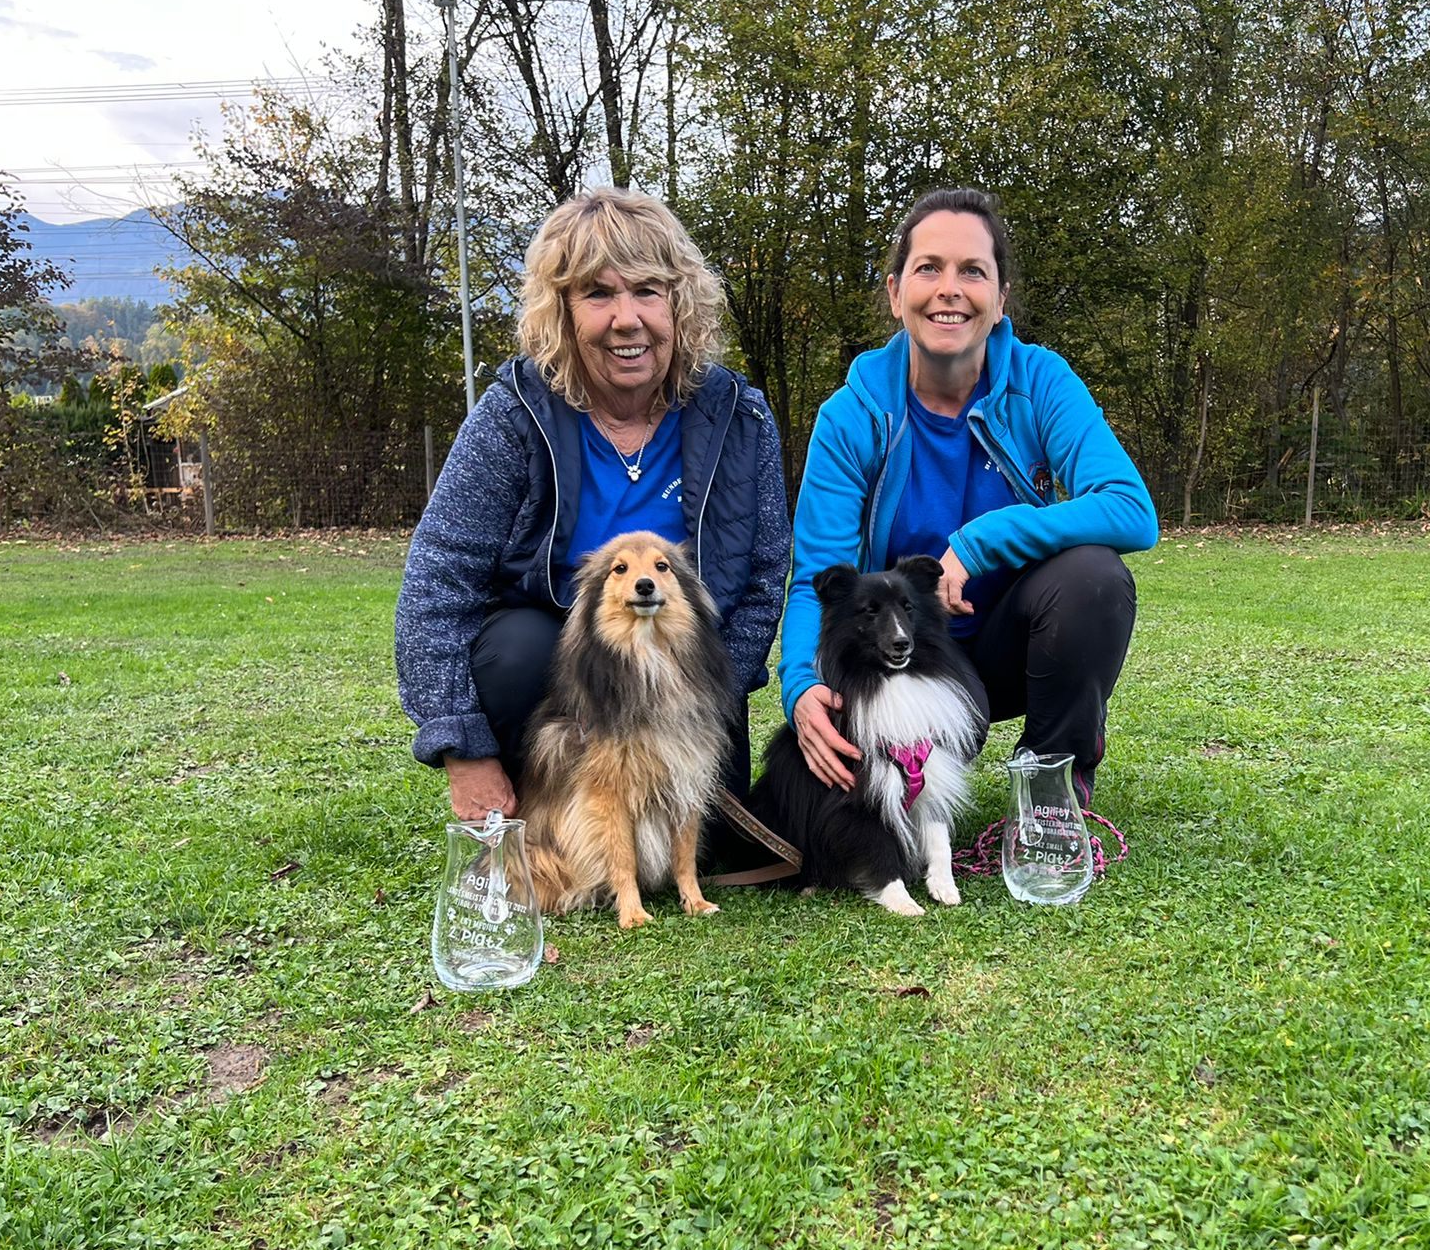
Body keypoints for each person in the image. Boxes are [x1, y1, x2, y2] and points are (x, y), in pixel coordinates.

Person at [396, 188, 789, 822]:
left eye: (647, 291)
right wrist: (463, 750)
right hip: (556, 686)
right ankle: (545, 807)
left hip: (686, 686)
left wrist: (698, 696)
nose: (626, 319)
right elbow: (437, 582)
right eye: (598, 294)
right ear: (563, 311)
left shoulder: (739, 416)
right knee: (518, 651)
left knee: (715, 846)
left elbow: (765, 581)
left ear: (680, 304)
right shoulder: (513, 414)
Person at [778, 188, 1158, 806]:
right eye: (929, 268)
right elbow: (817, 579)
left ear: (1000, 299)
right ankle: (929, 746)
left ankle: (1051, 791)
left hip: (1016, 640)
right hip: (902, 658)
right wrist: (800, 689)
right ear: (897, 292)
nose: (950, 288)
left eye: (973, 271)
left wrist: (981, 542)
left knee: (1093, 576)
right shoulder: (850, 416)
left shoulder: (1041, 381)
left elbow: (1130, 509)